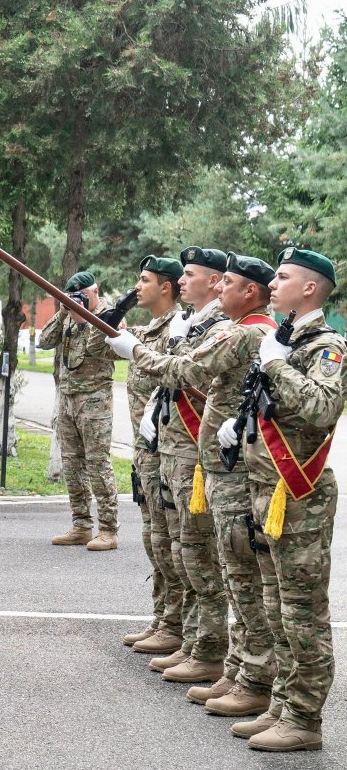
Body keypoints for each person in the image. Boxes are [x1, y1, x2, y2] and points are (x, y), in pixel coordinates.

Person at [109, 253, 278, 715]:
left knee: (232, 570)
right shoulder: (233, 327)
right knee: (213, 561)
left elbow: (182, 372)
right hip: (212, 461)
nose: (218, 287)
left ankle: (236, 666)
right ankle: (233, 666)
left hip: (231, 468)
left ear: (248, 291)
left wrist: (135, 352)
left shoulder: (248, 331)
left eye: (227, 281)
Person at [222, 248, 345, 752]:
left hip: (300, 495)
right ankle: (280, 702)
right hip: (264, 488)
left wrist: (277, 366)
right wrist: (239, 424)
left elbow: (319, 407)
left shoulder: (330, 347)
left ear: (311, 288)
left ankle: (305, 719)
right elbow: (271, 409)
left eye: (285, 277)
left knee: (301, 613)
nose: (273, 283)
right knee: (274, 609)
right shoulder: (284, 339)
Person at [123, 247, 230, 675]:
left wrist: (133, 349)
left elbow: (182, 374)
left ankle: (203, 646)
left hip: (192, 450)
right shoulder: (193, 324)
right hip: (166, 444)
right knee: (169, 543)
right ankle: (180, 631)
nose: (183, 281)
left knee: (197, 552)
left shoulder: (222, 329)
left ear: (216, 282)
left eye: (190, 275)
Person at [91, 256, 184, 648]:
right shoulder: (148, 330)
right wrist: (122, 304)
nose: (137, 286)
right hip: (146, 451)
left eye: (143, 281)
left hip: (170, 452)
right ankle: (163, 618)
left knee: (171, 542)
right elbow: (101, 341)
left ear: (166, 286)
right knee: (154, 540)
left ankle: (176, 626)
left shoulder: (178, 330)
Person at [39, 270, 118, 551]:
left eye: (82, 296)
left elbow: (111, 350)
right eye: (73, 297)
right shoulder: (68, 316)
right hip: (68, 399)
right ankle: (82, 524)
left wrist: (86, 321)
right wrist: (63, 313)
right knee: (72, 465)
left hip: (95, 399)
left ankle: (108, 530)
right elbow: (44, 341)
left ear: (95, 291)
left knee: (97, 463)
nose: (78, 301)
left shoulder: (109, 314)